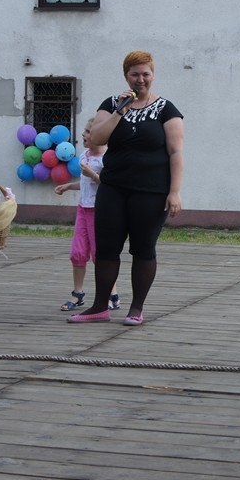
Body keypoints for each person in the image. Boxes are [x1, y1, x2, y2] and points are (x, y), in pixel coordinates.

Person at [67, 50, 184, 326]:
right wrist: (121, 109)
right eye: (134, 74)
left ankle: (136, 308)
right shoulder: (111, 104)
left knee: (143, 248)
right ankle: (99, 307)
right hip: (113, 188)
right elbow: (97, 137)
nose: (140, 79)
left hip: (151, 191)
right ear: (125, 76)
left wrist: (175, 191)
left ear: (153, 76)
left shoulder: (166, 109)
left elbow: (176, 152)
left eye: (145, 74)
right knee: (107, 248)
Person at [54, 118, 120, 313]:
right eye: (85, 130)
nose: (83, 134)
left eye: (88, 132)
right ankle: (78, 293)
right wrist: (69, 186)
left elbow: (110, 185)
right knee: (78, 253)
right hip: (83, 209)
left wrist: (93, 175)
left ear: (101, 136)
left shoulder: (107, 159)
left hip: (100, 211)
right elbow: (85, 184)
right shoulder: (84, 155)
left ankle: (112, 295)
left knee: (101, 255)